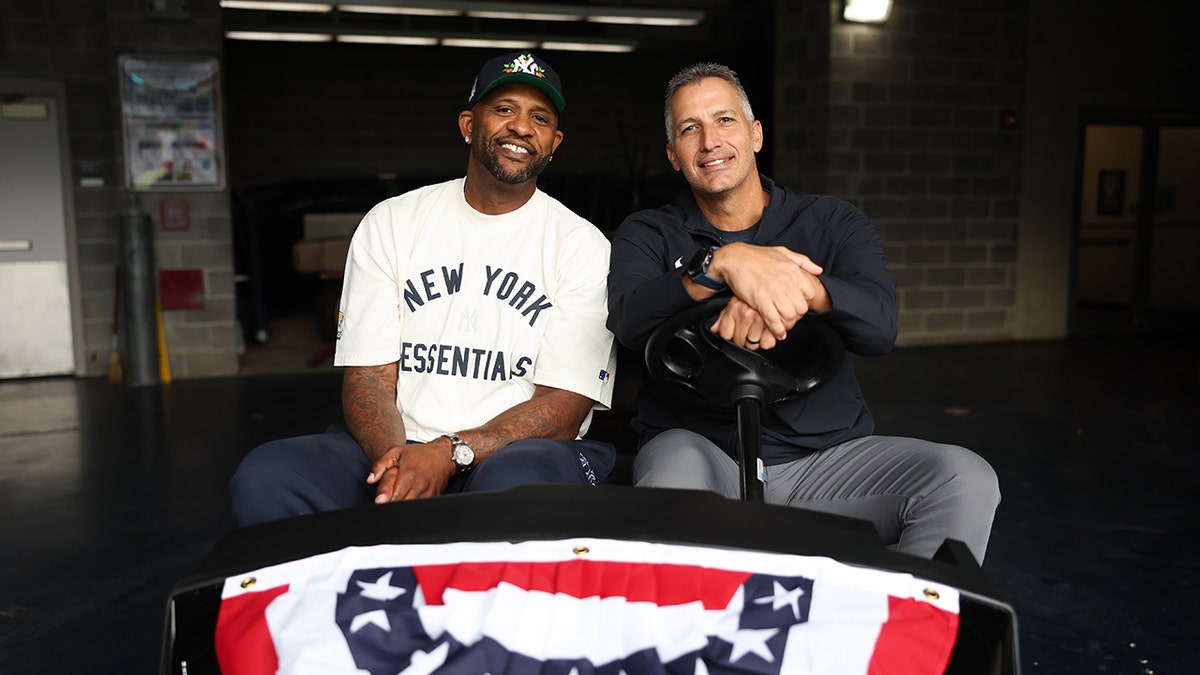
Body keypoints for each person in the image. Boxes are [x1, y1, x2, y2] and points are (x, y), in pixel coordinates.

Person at [606, 62, 1000, 562]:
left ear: (755, 135)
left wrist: (798, 289)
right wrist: (720, 266)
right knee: (670, 478)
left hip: (826, 461)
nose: (709, 141)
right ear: (672, 155)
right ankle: (701, 635)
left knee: (965, 478)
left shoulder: (831, 222)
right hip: (701, 451)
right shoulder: (648, 232)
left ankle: (903, 632)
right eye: (690, 129)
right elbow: (630, 319)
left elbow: (880, 326)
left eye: (724, 120)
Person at [231, 51, 617, 526]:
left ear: (553, 142)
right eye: (504, 109)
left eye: (539, 118)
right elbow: (369, 378)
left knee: (515, 488)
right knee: (268, 476)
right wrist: (400, 462)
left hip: (516, 452)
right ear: (467, 125)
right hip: (397, 443)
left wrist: (450, 453)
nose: (521, 127)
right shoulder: (393, 222)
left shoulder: (582, 245)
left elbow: (563, 407)